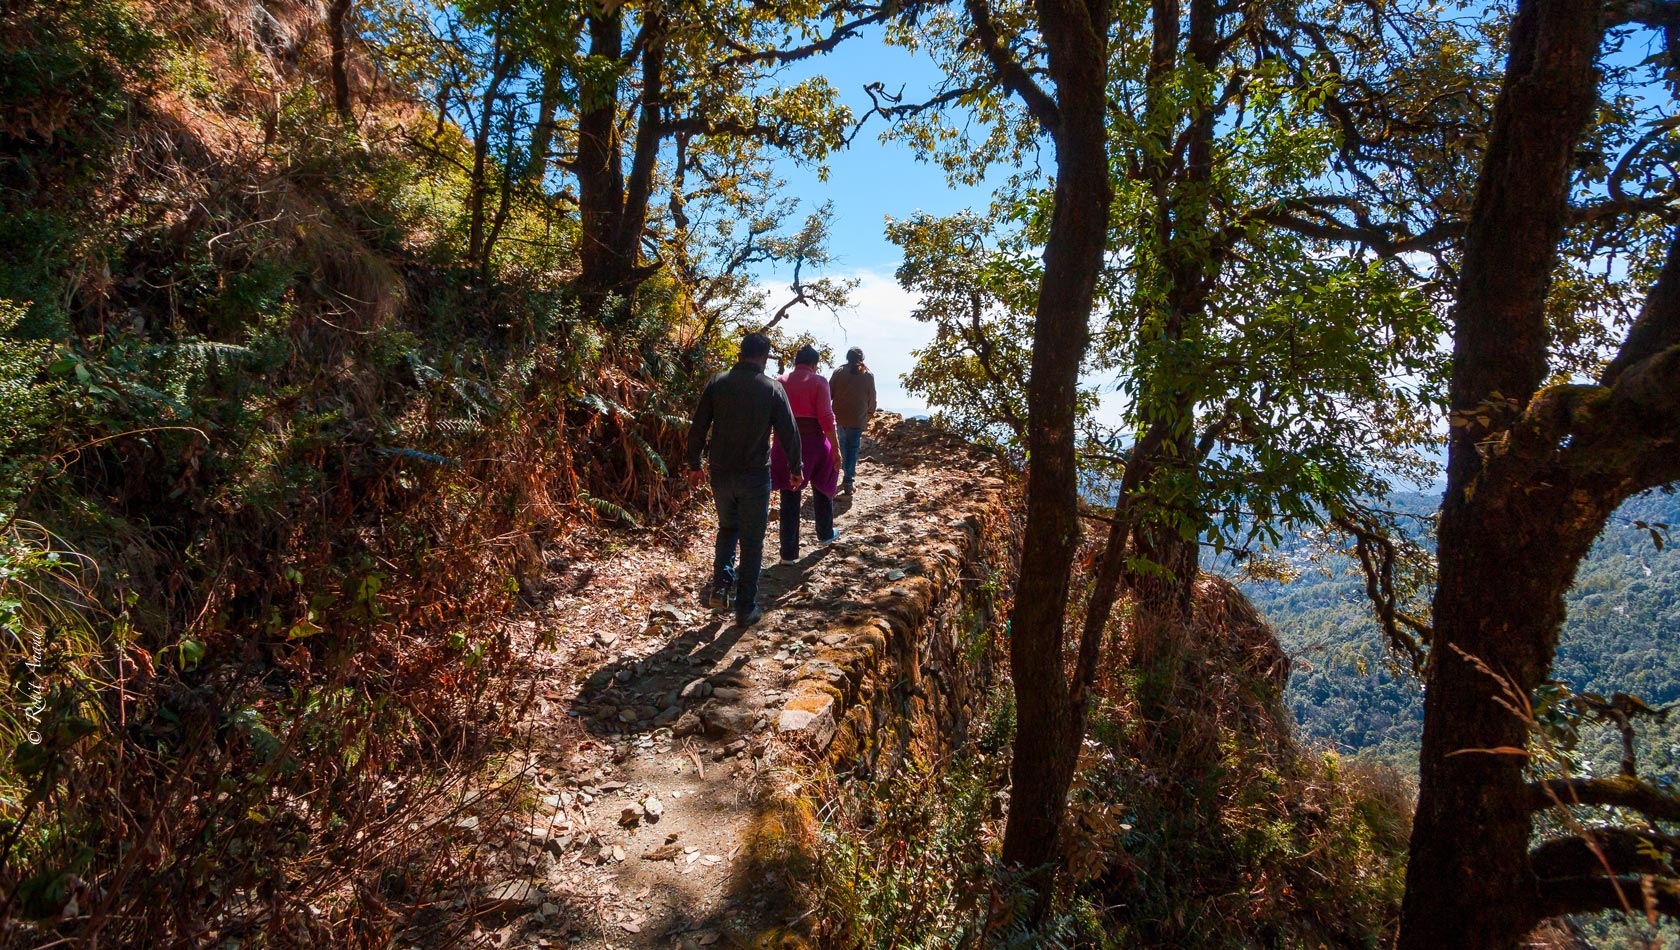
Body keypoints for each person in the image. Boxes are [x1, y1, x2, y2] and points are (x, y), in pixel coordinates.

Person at [686, 333, 802, 627]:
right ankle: (745, 608)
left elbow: (698, 425)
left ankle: (722, 586)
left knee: (728, 528)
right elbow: (789, 432)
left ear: (740, 354)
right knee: (752, 542)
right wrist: (795, 467)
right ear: (764, 357)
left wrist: (694, 463)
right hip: (754, 475)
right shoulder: (772, 388)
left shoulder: (717, 383)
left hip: (721, 472)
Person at [772, 344, 841, 561]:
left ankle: (788, 554)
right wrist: (836, 450)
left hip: (785, 444)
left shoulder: (780, 381)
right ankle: (825, 534)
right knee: (822, 486)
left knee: (789, 494)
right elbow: (826, 418)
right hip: (814, 442)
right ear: (814, 364)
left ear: (796, 362)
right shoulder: (820, 382)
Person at [828, 346, 877, 494]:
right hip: (857, 417)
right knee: (853, 449)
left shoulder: (839, 372)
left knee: (842, 446)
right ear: (862, 358)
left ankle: (841, 474)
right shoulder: (868, 374)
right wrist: (868, 414)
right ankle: (848, 481)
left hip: (839, 416)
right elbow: (872, 398)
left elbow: (828, 393)